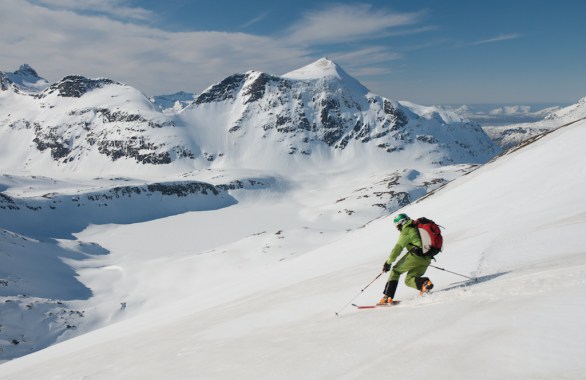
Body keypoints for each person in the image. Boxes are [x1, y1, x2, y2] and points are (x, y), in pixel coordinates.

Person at [379, 213, 434, 304]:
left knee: (395, 271)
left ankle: (387, 297)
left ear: (401, 223)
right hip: (427, 258)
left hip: (416, 255)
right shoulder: (416, 228)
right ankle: (424, 284)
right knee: (409, 279)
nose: (398, 228)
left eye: (398, 226)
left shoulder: (407, 230)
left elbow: (398, 248)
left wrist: (388, 263)